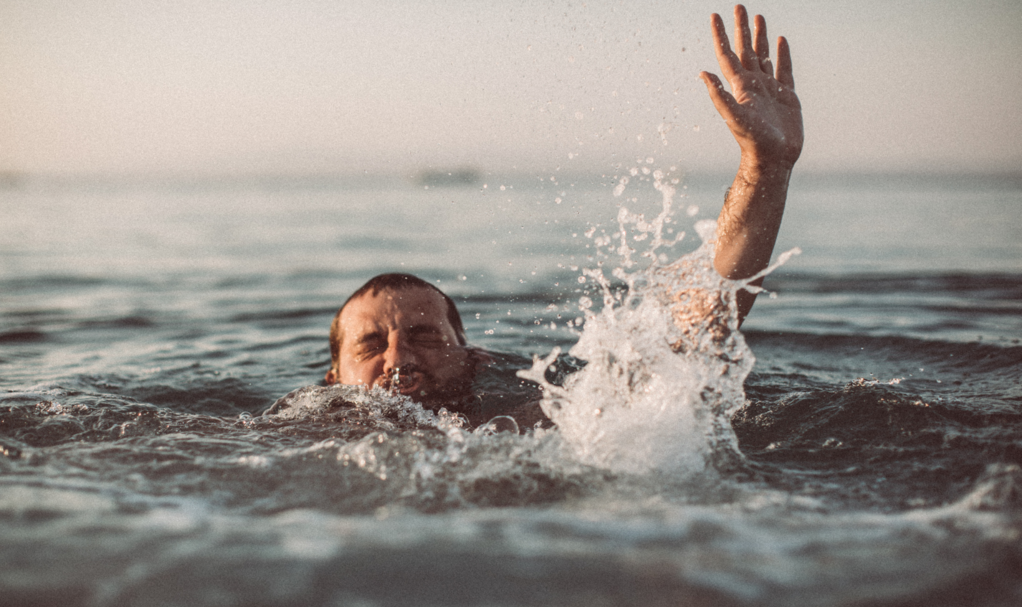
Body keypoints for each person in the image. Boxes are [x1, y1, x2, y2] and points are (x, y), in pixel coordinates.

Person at [323, 5, 802, 421]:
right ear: (333, 377)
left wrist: (764, 169)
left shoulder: (540, 415)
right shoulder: (290, 436)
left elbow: (689, 335)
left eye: (424, 336)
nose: (398, 357)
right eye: (368, 345)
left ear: (474, 358)